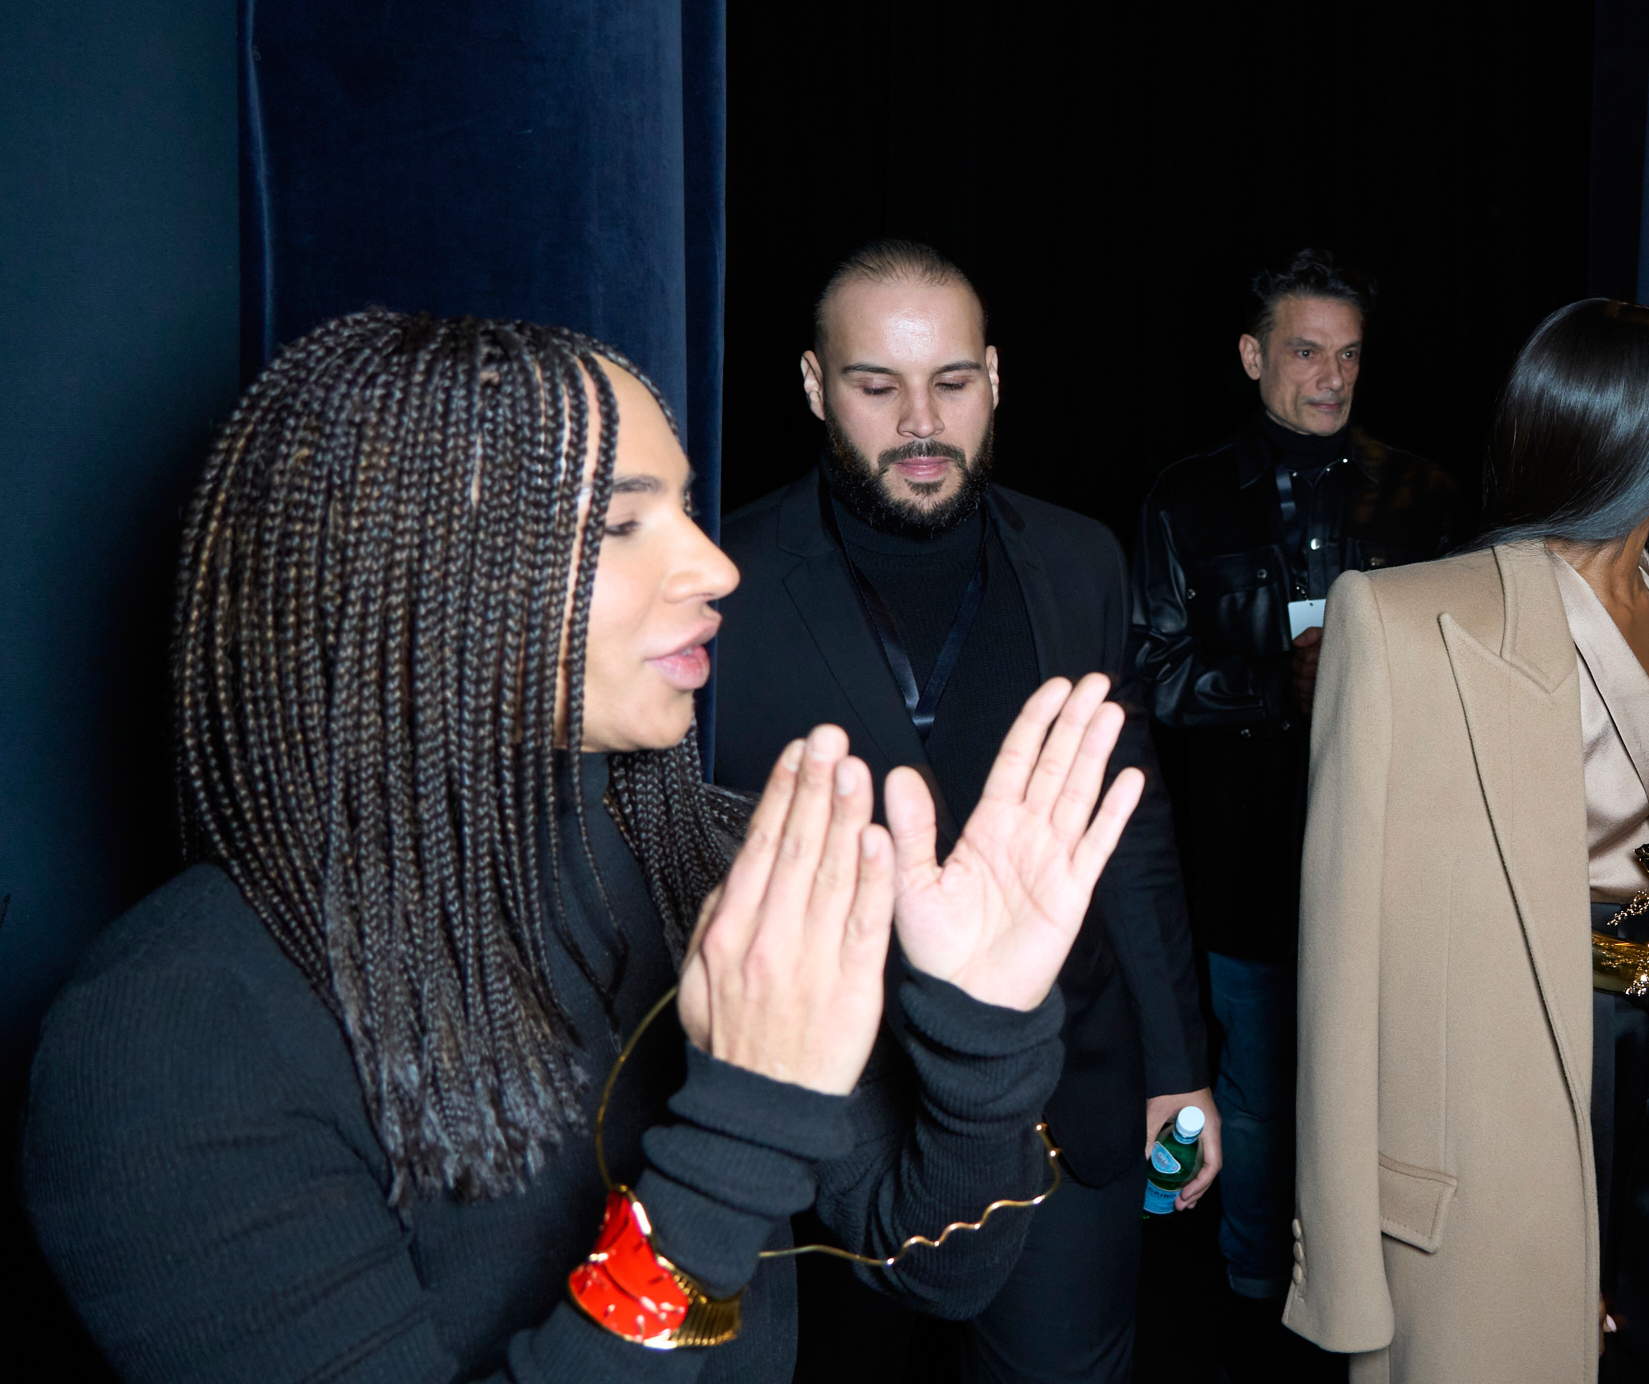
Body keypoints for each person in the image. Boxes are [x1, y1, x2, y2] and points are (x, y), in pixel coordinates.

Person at [23, 311, 1147, 1382]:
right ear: (412, 569)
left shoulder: (703, 851)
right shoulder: (174, 1026)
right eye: (620, 523)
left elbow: (940, 1265)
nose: (716, 565)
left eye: (691, 511)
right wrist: (741, 1128)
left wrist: (983, 1037)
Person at [1289, 299, 1649, 1384]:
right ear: (1633, 431)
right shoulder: (1405, 622)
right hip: (1530, 1085)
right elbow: (1340, 967)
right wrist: (1344, 1269)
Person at [712, 240, 1210, 1383]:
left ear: (996, 376)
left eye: (952, 381)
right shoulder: (722, 580)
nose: (920, 420)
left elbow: (1131, 836)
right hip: (827, 1142)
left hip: (1065, 1110)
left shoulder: (1082, 559)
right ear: (810, 385)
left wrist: (1178, 1072)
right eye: (875, 385)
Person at [1128, 249, 1462, 1318]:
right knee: (1257, 1096)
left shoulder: (1426, 490)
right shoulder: (1182, 497)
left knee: (1385, 1099)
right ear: (1251, 355)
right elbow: (1150, 675)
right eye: (1307, 351)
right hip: (1242, 859)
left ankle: (1368, 1303)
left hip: (1396, 862)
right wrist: (1281, 681)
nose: (1331, 375)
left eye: (1349, 354)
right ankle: (1240, 1298)